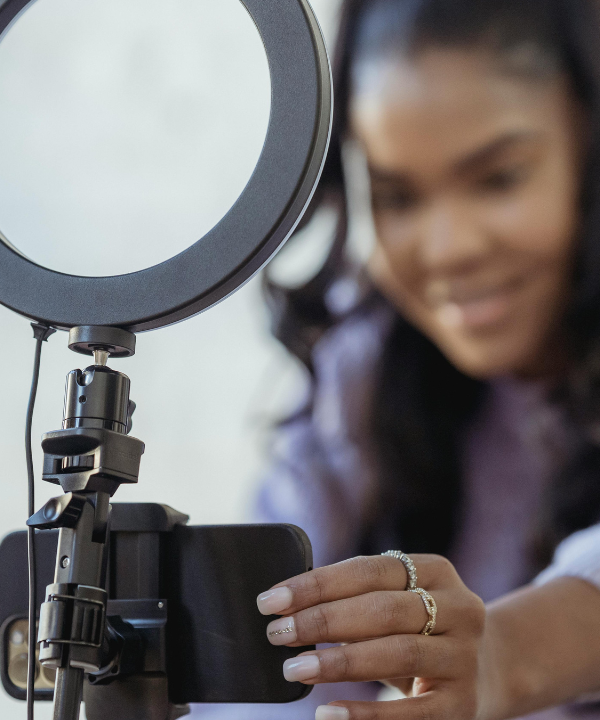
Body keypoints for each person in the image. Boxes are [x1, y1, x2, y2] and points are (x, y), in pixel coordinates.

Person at [193, 0, 600, 718]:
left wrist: (501, 658)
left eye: (499, 178)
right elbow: (262, 662)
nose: (448, 248)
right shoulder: (365, 373)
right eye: (397, 196)